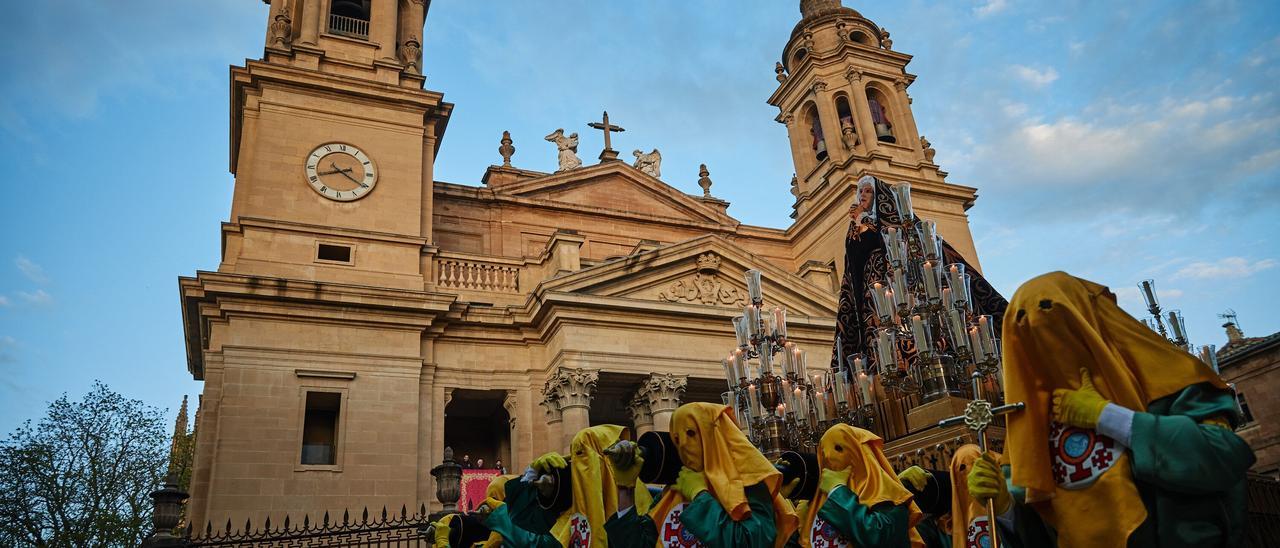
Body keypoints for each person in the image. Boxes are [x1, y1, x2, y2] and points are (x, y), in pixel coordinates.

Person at [985, 271, 1254, 547]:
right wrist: (1004, 506)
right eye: (1023, 326)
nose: (1043, 335)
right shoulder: (1033, 428)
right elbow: (1045, 526)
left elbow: (1223, 456)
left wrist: (1107, 416)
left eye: (1050, 312)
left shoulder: (1164, 381)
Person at [605, 402, 799, 547]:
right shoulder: (673, 491)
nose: (683, 445)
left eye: (691, 434)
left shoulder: (749, 486)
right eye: (677, 439)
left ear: (716, 435)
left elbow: (750, 542)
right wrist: (625, 489)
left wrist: (699, 495)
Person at [506, 424, 652, 547]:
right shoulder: (569, 509)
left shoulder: (642, 507)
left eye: (583, 455)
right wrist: (532, 472)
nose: (582, 467)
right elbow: (521, 516)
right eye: (578, 456)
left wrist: (625, 491)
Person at [800, 424, 924, 547]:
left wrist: (837, 491)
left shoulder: (891, 501)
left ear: (861, 455)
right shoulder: (817, 508)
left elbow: (877, 538)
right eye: (823, 453)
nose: (828, 457)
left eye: (838, 448)